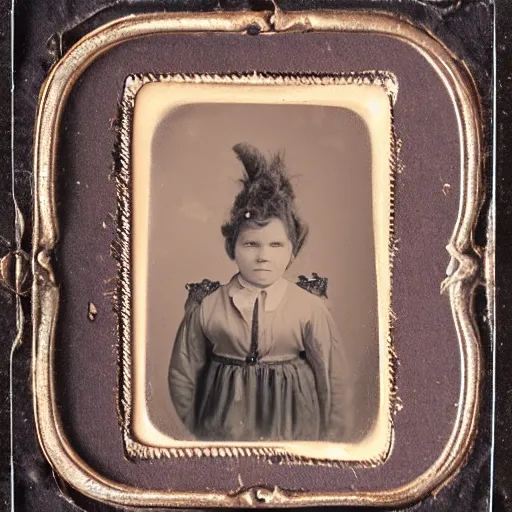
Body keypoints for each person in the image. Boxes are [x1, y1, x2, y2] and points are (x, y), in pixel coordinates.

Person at [169, 143, 353, 442]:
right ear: (232, 248)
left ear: (292, 252)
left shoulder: (308, 307)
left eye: (276, 245)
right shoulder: (210, 305)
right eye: (251, 244)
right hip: (226, 422)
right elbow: (183, 372)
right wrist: (201, 427)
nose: (263, 256)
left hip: (292, 423)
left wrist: (329, 438)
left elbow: (333, 376)